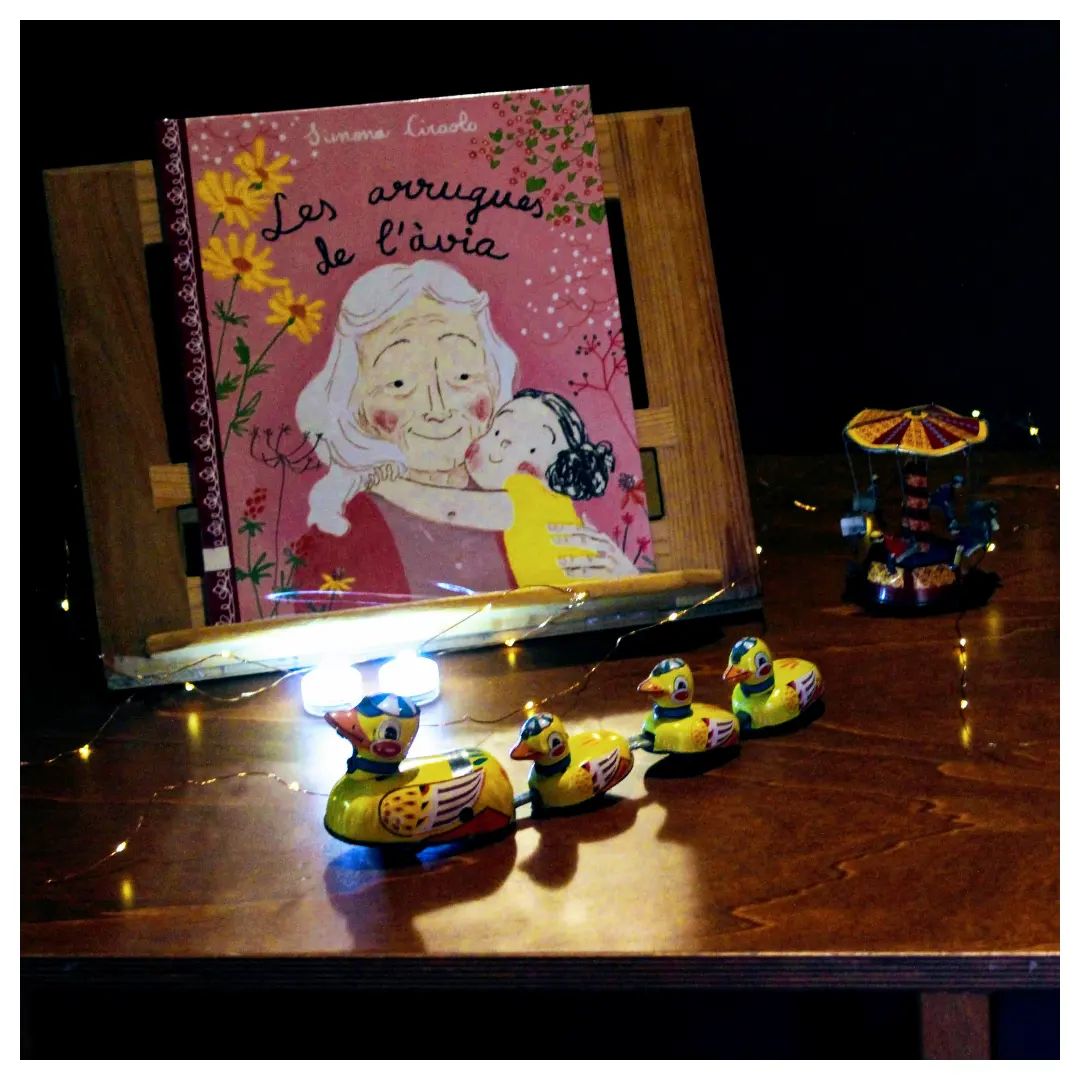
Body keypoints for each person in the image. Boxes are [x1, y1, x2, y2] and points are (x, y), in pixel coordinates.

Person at [292, 260, 631, 602]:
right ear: (356, 403)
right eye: (399, 383)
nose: (438, 407)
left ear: (492, 378)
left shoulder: (526, 499)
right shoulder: (338, 538)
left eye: (463, 376)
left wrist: (625, 583)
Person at [371, 389, 639, 584]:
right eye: (495, 429)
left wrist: (382, 484)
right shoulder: (555, 502)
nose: (488, 441)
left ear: (529, 466)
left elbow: (450, 509)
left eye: (503, 438)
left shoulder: (527, 493)